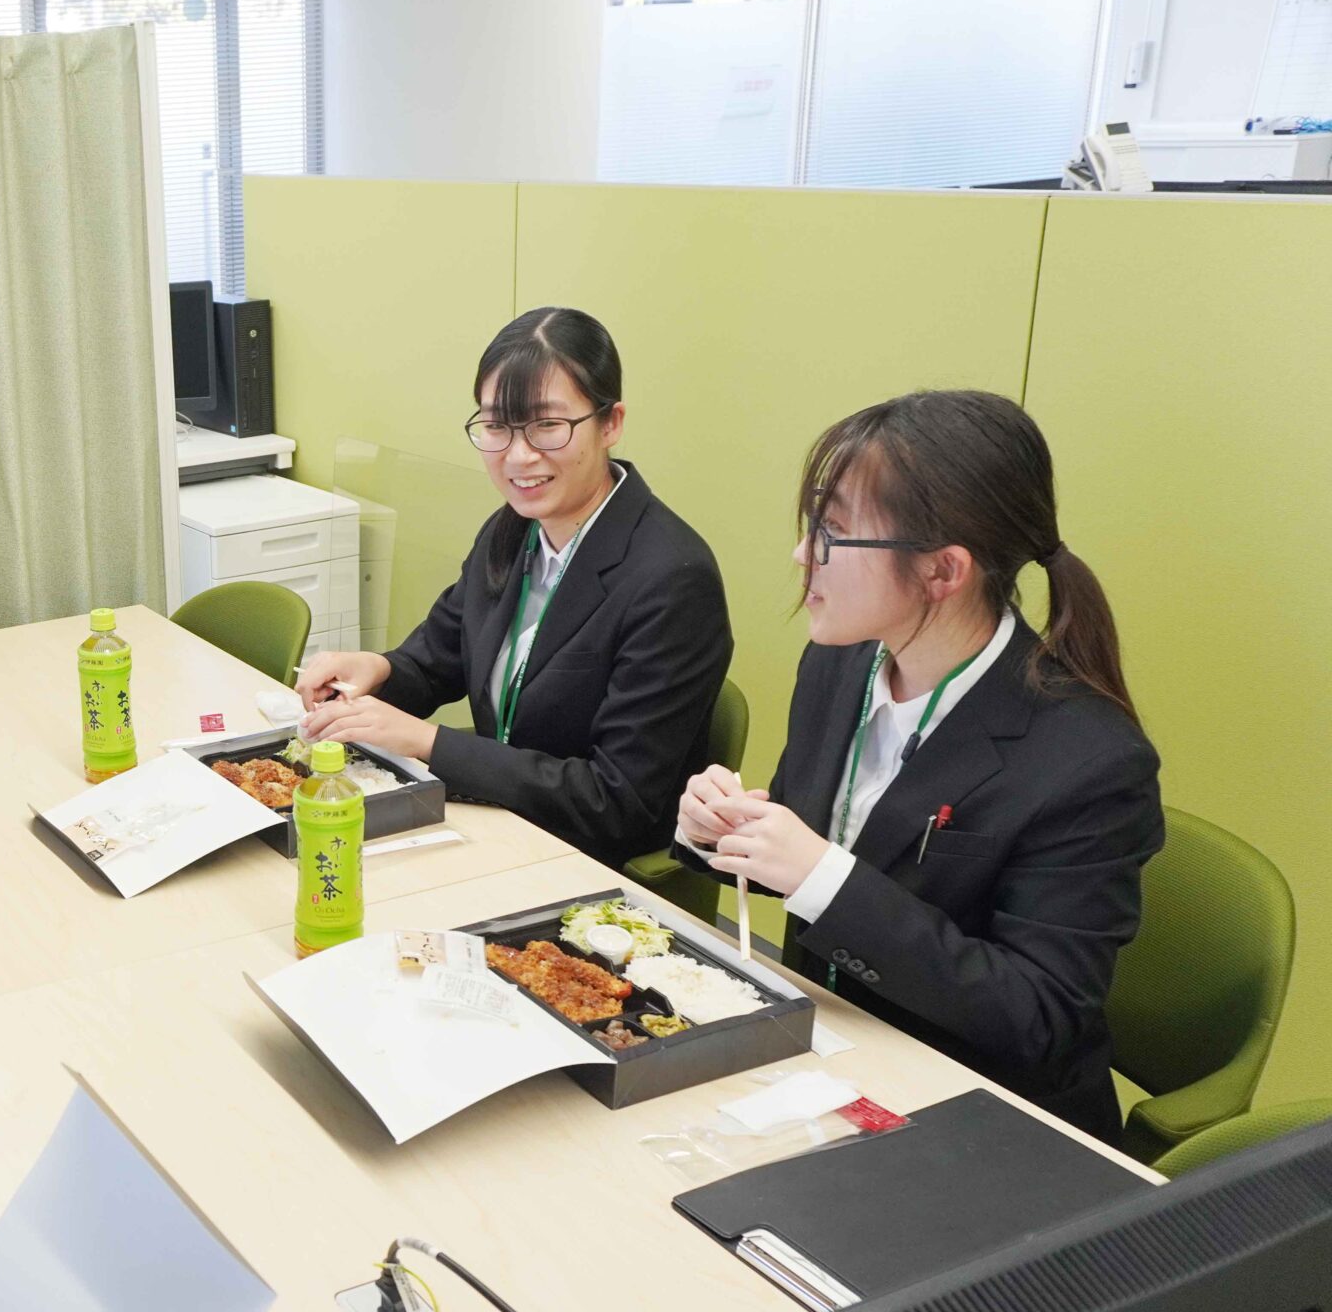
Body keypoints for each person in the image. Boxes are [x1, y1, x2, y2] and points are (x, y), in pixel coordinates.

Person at [676, 390, 1162, 1141]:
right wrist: (721, 829)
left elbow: (1038, 1015)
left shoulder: (1092, 762)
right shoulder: (841, 664)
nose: (803, 556)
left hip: (977, 1116)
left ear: (943, 571)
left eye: (834, 533)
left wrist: (820, 873)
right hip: (826, 1054)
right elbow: (811, 843)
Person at [297, 307, 732, 866]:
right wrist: (376, 669)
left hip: (585, 860)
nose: (519, 455)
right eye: (497, 427)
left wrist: (428, 742)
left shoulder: (672, 578)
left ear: (610, 423)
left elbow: (618, 802)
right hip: (494, 822)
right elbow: (437, 660)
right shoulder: (513, 528)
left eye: (547, 426)